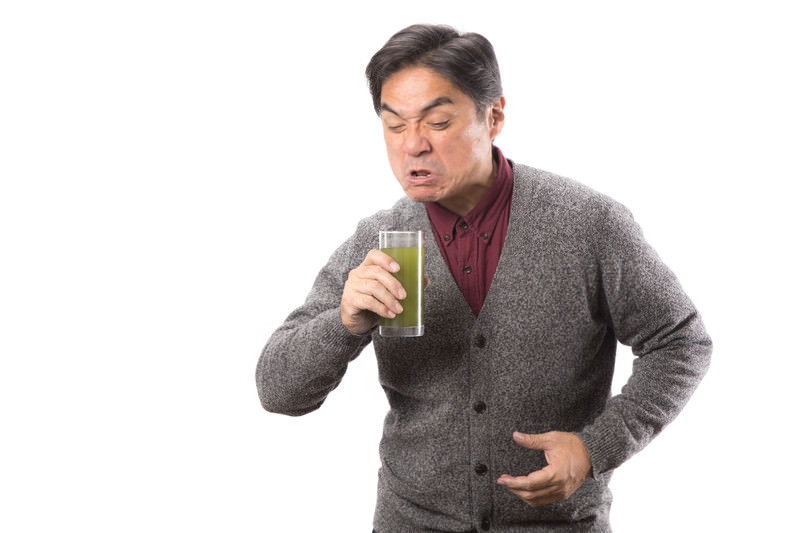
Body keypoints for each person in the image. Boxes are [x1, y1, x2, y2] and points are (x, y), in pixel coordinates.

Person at [256, 23, 712, 533]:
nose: (413, 145)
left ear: (494, 116)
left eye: (438, 122)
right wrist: (342, 324)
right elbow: (277, 390)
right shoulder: (378, 240)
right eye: (395, 125)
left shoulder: (587, 224)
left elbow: (681, 341)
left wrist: (596, 447)